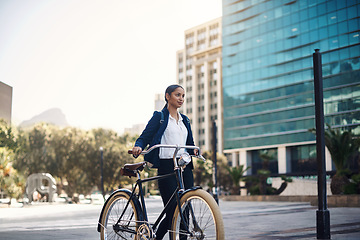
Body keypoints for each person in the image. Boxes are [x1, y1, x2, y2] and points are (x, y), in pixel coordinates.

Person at [132, 84, 198, 240]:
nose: (181, 98)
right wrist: (138, 146)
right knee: (173, 211)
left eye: (183, 95)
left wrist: (193, 150)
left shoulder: (185, 120)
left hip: (184, 166)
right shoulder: (159, 117)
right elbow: (145, 137)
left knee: (185, 210)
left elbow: (190, 142)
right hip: (167, 165)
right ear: (168, 96)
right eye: (177, 95)